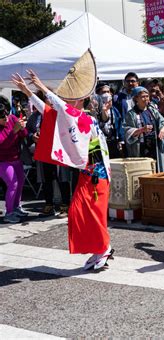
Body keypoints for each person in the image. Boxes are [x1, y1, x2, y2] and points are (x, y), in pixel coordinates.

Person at [12, 70, 114, 271]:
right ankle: (98, 248)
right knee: (79, 212)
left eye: (71, 99)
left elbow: (59, 106)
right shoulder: (74, 118)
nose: (67, 101)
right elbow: (48, 110)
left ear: (79, 101)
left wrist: (40, 86)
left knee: (92, 214)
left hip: (97, 176)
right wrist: (27, 92)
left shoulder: (85, 119)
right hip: (88, 174)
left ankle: (104, 247)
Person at [26, 92, 71, 217]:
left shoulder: (60, 113)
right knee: (46, 178)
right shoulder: (35, 116)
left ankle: (65, 206)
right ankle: (49, 204)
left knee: (62, 178)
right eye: (47, 98)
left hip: (59, 150)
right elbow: (28, 130)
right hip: (43, 150)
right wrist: (32, 136)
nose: (50, 101)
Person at [124, 86, 164, 171]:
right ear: (136, 99)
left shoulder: (152, 111)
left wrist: (163, 129)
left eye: (147, 96)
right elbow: (127, 131)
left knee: (156, 170)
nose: (145, 98)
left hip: (155, 146)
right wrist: (141, 130)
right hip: (141, 147)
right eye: (142, 97)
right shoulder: (131, 114)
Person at [0, 103, 28, 223]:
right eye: (2, 118)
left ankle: (16, 207)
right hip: (3, 161)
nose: (5, 118)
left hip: (16, 158)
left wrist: (22, 128)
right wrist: (14, 131)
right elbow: (3, 145)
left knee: (20, 183)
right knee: (13, 183)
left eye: (6, 115)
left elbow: (24, 134)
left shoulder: (12, 118)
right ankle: (9, 212)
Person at [96, 82, 124, 159]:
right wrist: (104, 110)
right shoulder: (94, 109)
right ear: (98, 94)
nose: (106, 94)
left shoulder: (114, 109)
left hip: (113, 141)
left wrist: (121, 140)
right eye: (103, 92)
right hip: (100, 143)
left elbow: (119, 124)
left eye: (108, 92)